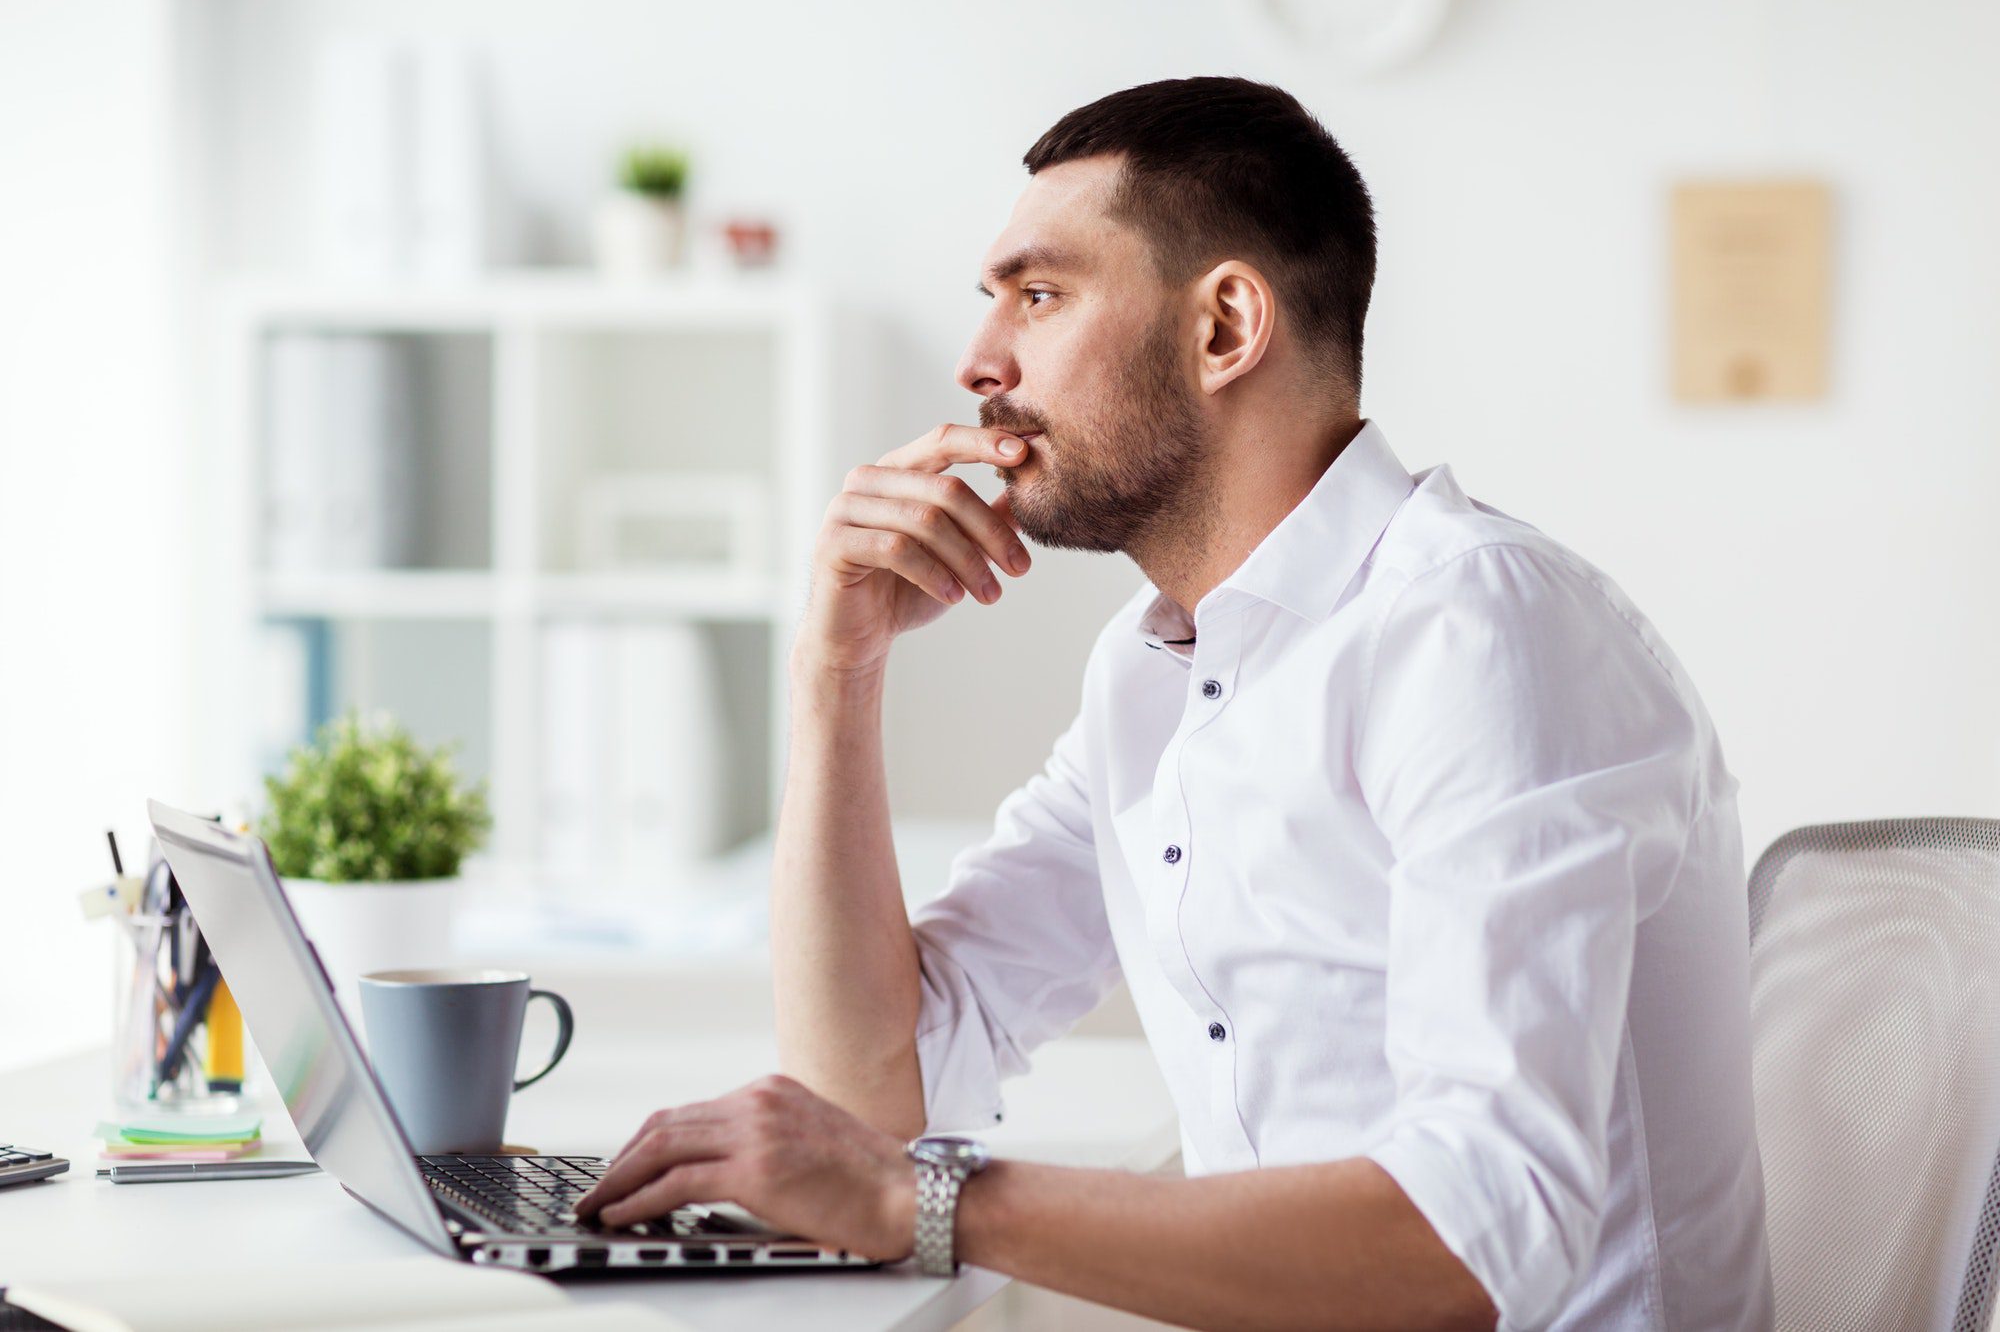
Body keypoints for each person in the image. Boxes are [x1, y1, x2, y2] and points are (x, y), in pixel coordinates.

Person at [578, 76, 1773, 1331]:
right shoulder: (1151, 673)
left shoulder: (1477, 630)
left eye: (1035, 295)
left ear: (1223, 329)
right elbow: (872, 1095)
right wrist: (837, 671)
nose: (978, 361)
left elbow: (1474, 1237)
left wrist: (926, 1200)